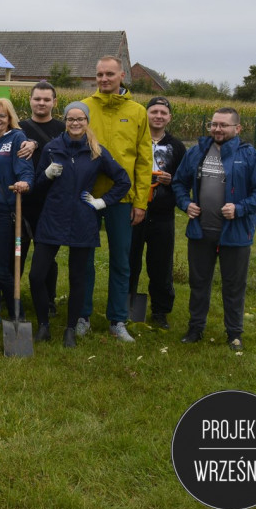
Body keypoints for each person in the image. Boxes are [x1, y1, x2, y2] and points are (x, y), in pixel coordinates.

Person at [29, 102, 130, 347]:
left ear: (86, 122)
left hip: (82, 219)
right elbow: (37, 185)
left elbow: (122, 180)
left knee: (78, 278)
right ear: (65, 121)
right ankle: (43, 325)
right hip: (53, 217)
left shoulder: (96, 151)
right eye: (71, 119)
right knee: (35, 275)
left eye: (80, 119)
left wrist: (102, 202)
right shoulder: (52, 148)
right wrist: (46, 175)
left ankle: (71, 329)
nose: (75, 123)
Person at [172, 108, 256, 352]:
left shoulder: (249, 155)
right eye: (214, 124)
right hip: (201, 231)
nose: (217, 129)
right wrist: (186, 204)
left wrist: (239, 208)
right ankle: (195, 328)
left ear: (237, 129)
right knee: (199, 283)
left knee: (233, 285)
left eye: (223, 125)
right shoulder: (197, 151)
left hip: (235, 234)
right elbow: (178, 183)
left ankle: (234, 333)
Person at [78, 56, 152, 343]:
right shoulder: (85, 107)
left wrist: (141, 201)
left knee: (121, 260)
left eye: (110, 74)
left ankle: (118, 319)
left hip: (123, 199)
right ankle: (82, 315)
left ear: (122, 76)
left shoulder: (137, 111)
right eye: (99, 74)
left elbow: (144, 160)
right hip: (88, 197)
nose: (104, 79)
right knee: (84, 258)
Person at [129, 96, 186, 329]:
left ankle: (161, 311)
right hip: (134, 211)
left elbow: (184, 179)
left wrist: (172, 180)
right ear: (146, 114)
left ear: (169, 117)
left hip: (162, 214)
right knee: (129, 262)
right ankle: (126, 306)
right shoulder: (134, 140)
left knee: (161, 265)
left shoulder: (177, 146)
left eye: (163, 113)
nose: (158, 116)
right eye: (154, 112)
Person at [0, 97, 33, 322]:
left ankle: (16, 312)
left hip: (4, 211)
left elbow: (25, 170)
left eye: (2, 115)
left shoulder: (17, 138)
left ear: (10, 118)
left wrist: (25, 182)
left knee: (0, 266)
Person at [19, 81, 65, 316]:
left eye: (47, 99)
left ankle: (48, 299)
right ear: (30, 100)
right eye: (37, 98)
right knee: (17, 251)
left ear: (54, 102)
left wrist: (37, 144)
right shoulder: (19, 127)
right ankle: (12, 296)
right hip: (21, 200)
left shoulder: (63, 128)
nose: (41, 103)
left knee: (46, 255)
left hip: (50, 202)